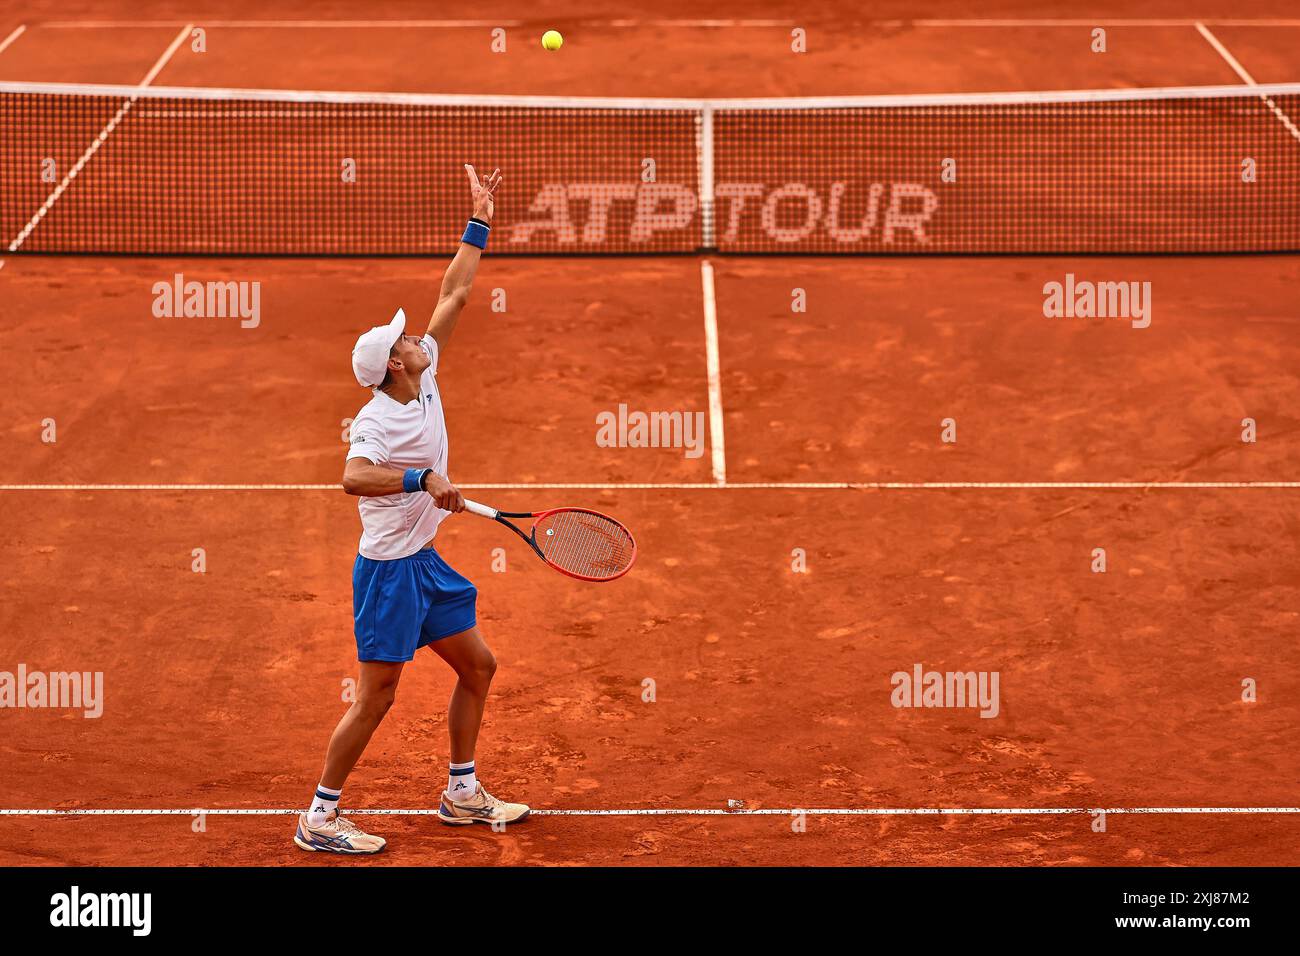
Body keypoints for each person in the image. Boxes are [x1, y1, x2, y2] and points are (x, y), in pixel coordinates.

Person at [294, 166, 528, 855]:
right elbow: (352, 476)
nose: (415, 340)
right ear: (393, 367)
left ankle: (461, 792)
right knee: (377, 697)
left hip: (422, 564)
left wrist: (479, 222)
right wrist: (422, 477)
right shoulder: (375, 421)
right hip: (389, 574)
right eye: (403, 343)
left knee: (478, 667)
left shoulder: (424, 378)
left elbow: (454, 292)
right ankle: (320, 817)